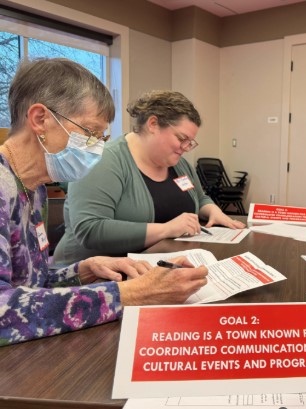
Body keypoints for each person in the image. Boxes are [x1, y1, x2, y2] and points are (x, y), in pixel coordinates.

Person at [0, 59, 208, 345]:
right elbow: (3, 311)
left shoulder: (33, 190)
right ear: (39, 119)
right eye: (90, 132)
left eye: (102, 136)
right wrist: (133, 294)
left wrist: (84, 269)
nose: (97, 148)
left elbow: (30, 284)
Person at [53, 90, 245, 265]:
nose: (185, 148)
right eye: (181, 138)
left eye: (190, 142)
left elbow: (199, 196)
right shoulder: (104, 161)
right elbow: (90, 229)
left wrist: (212, 210)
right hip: (92, 279)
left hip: (156, 266)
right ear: (153, 124)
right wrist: (166, 229)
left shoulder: (178, 163)